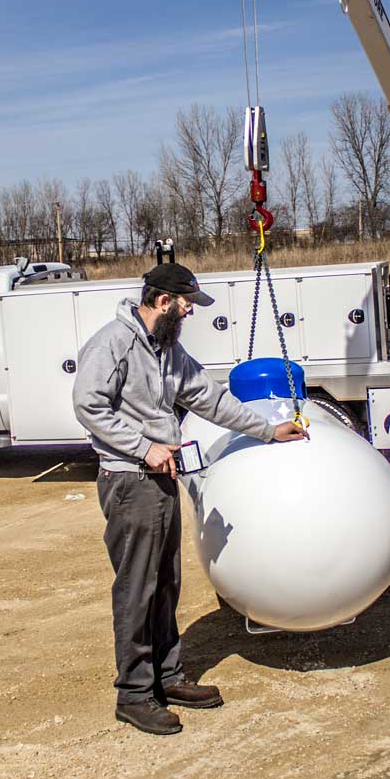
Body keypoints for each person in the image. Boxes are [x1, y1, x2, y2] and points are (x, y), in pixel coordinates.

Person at [73, 262, 308, 736]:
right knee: (137, 587)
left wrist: (267, 429)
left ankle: (167, 676)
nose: (190, 314)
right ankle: (134, 694)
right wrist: (143, 446)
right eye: (186, 305)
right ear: (163, 302)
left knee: (166, 584)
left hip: (160, 479)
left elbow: (208, 397)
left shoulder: (167, 348)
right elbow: (87, 403)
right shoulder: (112, 343)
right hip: (129, 480)